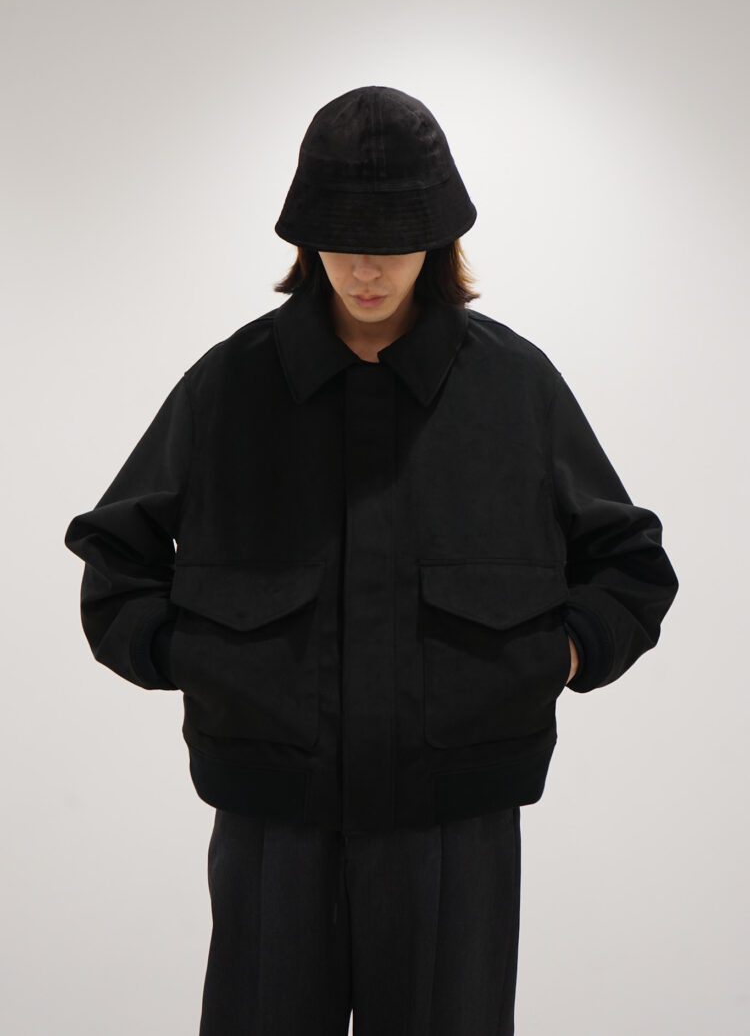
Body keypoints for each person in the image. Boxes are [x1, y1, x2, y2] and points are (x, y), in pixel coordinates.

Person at [64, 84, 679, 1035]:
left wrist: (554, 658)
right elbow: (115, 558)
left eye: (391, 242)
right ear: (306, 240)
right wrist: (198, 661)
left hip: (456, 820)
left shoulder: (514, 389)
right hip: (274, 814)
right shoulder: (230, 385)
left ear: (438, 240)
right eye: (342, 241)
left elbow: (630, 563)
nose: (364, 269)